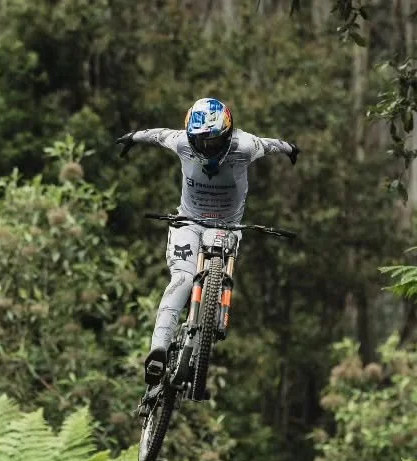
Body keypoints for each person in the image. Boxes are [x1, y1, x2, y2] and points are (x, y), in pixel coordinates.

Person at [115, 97, 299, 383]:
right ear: (191, 137)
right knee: (182, 280)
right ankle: (158, 350)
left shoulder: (245, 146)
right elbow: (158, 135)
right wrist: (132, 138)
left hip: (228, 225)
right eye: (201, 142)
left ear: (227, 134)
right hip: (188, 222)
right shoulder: (182, 143)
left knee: (215, 262)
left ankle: (209, 321)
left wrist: (289, 149)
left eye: (214, 142)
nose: (207, 148)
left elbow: (271, 144)